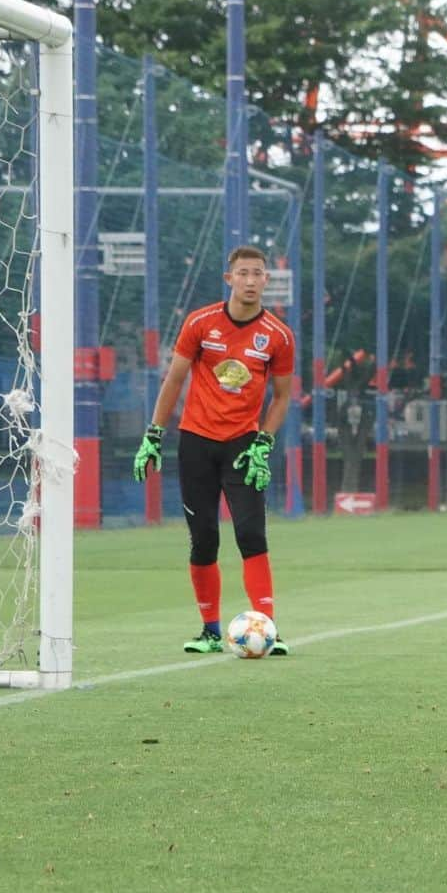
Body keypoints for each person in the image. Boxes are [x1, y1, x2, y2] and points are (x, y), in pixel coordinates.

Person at [133, 245, 294, 656]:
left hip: (244, 447)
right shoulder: (201, 323)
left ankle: (268, 629)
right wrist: (154, 433)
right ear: (229, 279)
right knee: (203, 538)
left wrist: (265, 441)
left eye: (258, 273)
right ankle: (209, 630)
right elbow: (173, 380)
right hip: (197, 444)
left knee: (250, 533)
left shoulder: (278, 335)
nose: (251, 280)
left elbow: (282, 398)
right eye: (243, 273)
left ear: (266, 281)